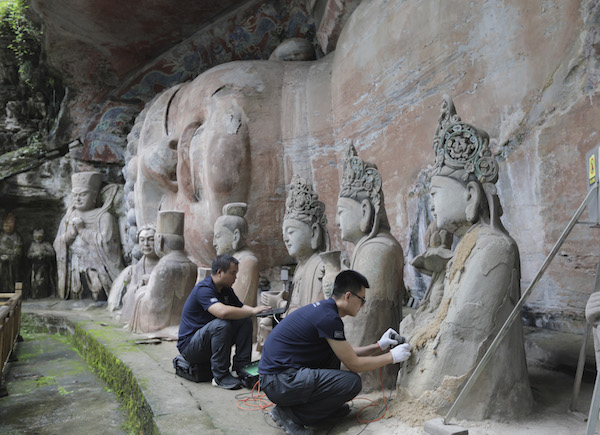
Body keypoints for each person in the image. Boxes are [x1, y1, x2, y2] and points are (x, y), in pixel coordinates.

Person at [258, 270, 412, 434]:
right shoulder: (328, 318)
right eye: (362, 300)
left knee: (332, 357)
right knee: (351, 383)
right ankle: (290, 415)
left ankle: (322, 411)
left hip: (281, 377)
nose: (363, 305)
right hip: (279, 381)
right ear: (348, 296)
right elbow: (355, 364)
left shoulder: (326, 311)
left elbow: (347, 353)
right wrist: (392, 357)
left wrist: (379, 346)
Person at [335, 141, 405, 390]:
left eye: (341, 212)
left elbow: (361, 320)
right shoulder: (370, 247)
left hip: (369, 375)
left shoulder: (377, 250)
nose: (336, 220)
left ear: (365, 210)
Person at [257, 175, 333, 350]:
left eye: (291, 232)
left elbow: (313, 313)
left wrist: (280, 304)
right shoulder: (301, 267)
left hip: (307, 340)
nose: (285, 239)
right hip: (293, 331)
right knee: (266, 322)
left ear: (314, 232)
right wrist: (281, 299)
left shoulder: (319, 266)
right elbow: (295, 305)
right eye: (284, 233)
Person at [177, 254, 269, 390]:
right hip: (190, 347)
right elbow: (222, 312)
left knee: (244, 320)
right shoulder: (204, 289)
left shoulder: (226, 289)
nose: (235, 278)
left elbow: (241, 307)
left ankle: (241, 368)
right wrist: (252, 312)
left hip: (209, 341)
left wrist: (258, 310)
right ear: (220, 272)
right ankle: (220, 376)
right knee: (221, 324)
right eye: (233, 273)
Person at [53, 171, 123, 300]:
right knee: (78, 291)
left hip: (96, 267)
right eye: (75, 195)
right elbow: (58, 243)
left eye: (83, 194)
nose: (78, 199)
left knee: (97, 291)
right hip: (75, 266)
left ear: (94, 195)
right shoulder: (69, 217)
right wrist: (71, 235)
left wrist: (83, 231)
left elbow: (108, 243)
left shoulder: (104, 217)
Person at [128, 211, 197, 333]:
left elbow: (152, 306)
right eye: (142, 240)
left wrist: (142, 291)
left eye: (151, 239)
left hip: (158, 324)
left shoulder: (163, 266)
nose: (146, 244)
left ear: (158, 241)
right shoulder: (192, 265)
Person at [0, 213, 23, 293]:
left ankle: (13, 293)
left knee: (13, 276)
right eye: (6, 223)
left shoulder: (17, 237)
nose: (8, 226)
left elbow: (18, 250)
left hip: (13, 264)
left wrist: (11, 256)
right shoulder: (1, 236)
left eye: (11, 223)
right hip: (1, 263)